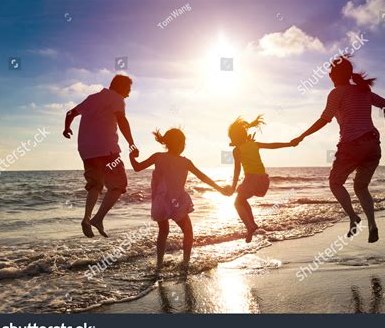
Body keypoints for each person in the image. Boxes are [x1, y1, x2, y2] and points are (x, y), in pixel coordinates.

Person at [291, 56, 385, 243]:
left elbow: (324, 119)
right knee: (361, 187)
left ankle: (353, 217)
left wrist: (302, 136)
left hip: (352, 144)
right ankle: (372, 225)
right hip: (373, 145)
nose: (329, 75)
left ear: (335, 75)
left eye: (331, 72)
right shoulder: (362, 90)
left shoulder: (336, 93)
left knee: (335, 182)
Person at [129, 128, 232, 272]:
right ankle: (185, 263)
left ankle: (159, 265)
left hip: (160, 202)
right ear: (178, 144)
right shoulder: (185, 162)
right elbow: (202, 177)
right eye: (182, 143)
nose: (183, 146)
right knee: (188, 230)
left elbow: (137, 167)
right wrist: (219, 188)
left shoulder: (158, 156)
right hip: (176, 202)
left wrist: (131, 156)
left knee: (163, 231)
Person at [63, 75, 139, 238]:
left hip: (86, 151)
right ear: (121, 87)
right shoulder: (117, 99)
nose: (128, 94)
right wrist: (131, 143)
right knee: (119, 185)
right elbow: (122, 120)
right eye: (128, 89)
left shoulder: (91, 98)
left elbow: (70, 113)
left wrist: (66, 128)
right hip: (107, 149)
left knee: (95, 185)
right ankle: (97, 219)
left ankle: (86, 218)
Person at [228, 115, 296, 243]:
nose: (231, 140)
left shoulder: (237, 150)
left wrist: (232, 187)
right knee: (242, 200)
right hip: (263, 180)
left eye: (232, 138)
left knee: (237, 202)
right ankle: (252, 224)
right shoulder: (254, 144)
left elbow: (237, 170)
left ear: (236, 137)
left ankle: (250, 226)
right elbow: (272, 145)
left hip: (251, 179)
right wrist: (289, 144)